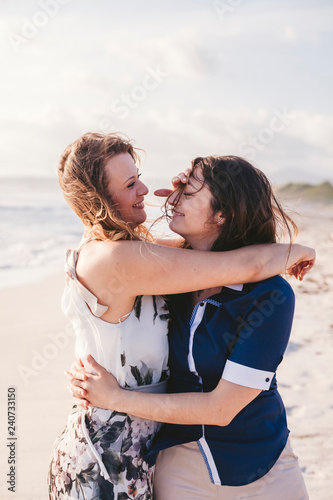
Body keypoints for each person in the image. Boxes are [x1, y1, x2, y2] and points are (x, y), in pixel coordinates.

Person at [68, 154, 314, 500]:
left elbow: (220, 409)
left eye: (188, 192)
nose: (172, 197)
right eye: (178, 189)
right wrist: (187, 196)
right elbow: (116, 251)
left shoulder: (270, 295)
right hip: (177, 461)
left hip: (262, 462)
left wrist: (116, 398)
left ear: (222, 214)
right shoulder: (170, 276)